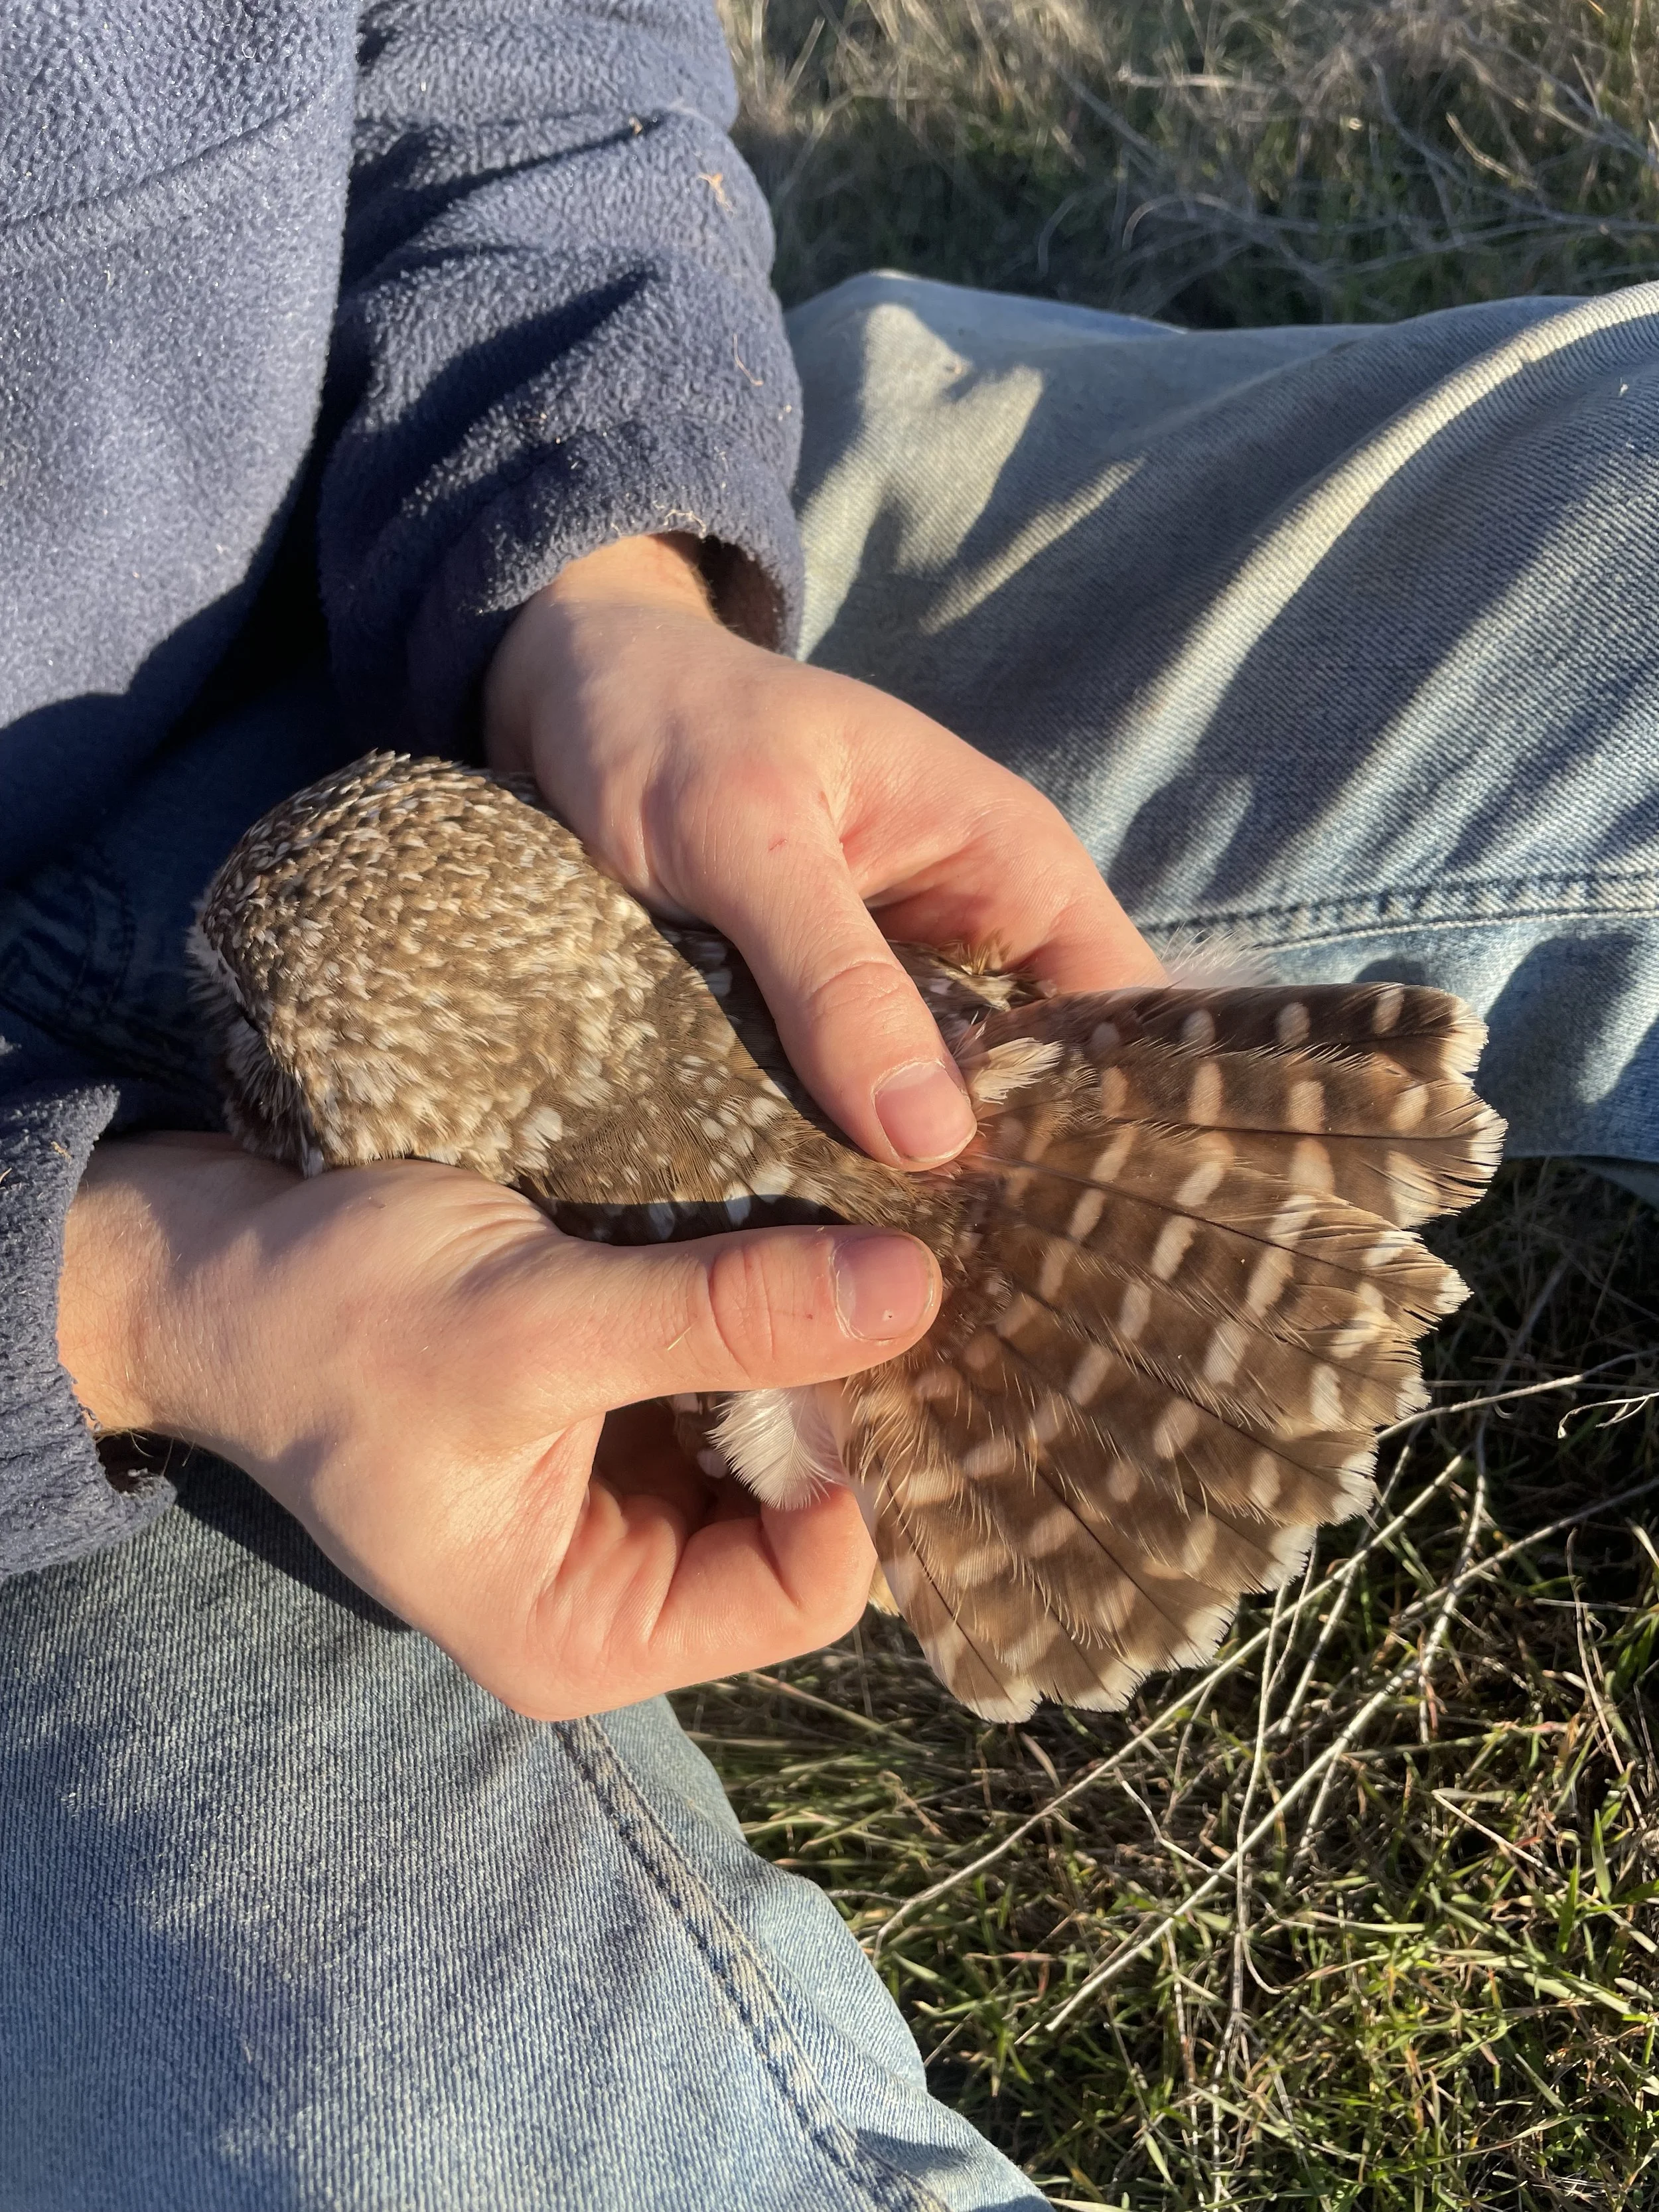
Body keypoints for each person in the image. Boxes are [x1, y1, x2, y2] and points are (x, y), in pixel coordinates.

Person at [1, 3, 1654, 2205]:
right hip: (70, 1396)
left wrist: (612, 583)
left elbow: (521, 58)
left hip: (457, 616)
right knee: (452, 2146)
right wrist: (126, 1305)